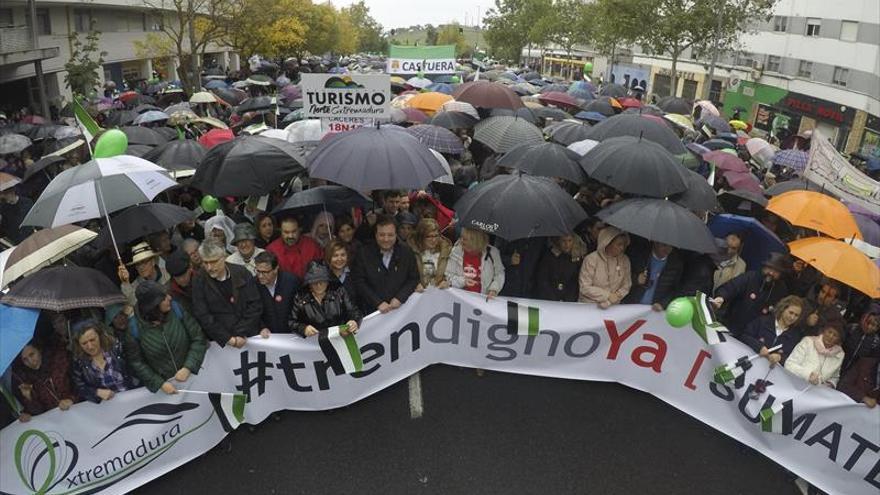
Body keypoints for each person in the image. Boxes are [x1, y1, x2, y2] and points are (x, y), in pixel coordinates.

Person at [125, 281, 208, 394]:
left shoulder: (177, 310)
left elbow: (198, 338)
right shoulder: (134, 328)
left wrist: (188, 367)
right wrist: (160, 383)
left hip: (197, 377)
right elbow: (137, 362)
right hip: (168, 391)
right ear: (153, 306)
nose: (169, 298)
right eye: (163, 298)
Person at [192, 239, 265, 346]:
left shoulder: (242, 273)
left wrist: (240, 332)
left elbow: (255, 305)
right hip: (221, 342)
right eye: (205, 262)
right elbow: (203, 315)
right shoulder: (199, 280)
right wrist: (228, 339)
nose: (209, 267)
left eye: (213, 262)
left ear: (224, 257)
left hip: (248, 336)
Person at [351, 215, 420, 314]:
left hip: (401, 310)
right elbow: (359, 281)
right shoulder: (363, 253)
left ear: (396, 235)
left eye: (390, 235)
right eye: (382, 235)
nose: (386, 239)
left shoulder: (406, 252)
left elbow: (413, 278)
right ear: (375, 235)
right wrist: (377, 302)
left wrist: (400, 298)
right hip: (372, 312)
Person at [711, 252, 791, 335]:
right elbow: (731, 287)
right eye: (769, 268)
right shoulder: (750, 277)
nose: (771, 273)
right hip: (731, 326)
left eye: (776, 271)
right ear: (764, 267)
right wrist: (721, 297)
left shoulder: (781, 290)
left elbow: (778, 311)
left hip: (753, 335)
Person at [71, 320, 138, 403]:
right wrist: (96, 392)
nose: (90, 346)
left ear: (100, 336)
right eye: (84, 343)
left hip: (134, 399)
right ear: (78, 345)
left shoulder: (119, 348)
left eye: (92, 340)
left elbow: (138, 368)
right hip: (107, 409)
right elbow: (79, 387)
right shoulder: (79, 362)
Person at [12, 340, 77, 422]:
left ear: (39, 350)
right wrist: (29, 397)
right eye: (25, 359)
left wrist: (71, 399)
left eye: (32, 355)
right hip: (58, 421)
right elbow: (39, 411)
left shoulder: (60, 361)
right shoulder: (27, 380)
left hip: (78, 409)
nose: (30, 361)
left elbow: (80, 384)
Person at [290, 264, 362, 337]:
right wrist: (303, 329)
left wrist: (354, 321)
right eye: (314, 282)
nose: (318, 285)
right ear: (309, 284)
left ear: (328, 281)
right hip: (314, 342)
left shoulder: (339, 292)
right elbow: (292, 322)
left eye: (322, 281)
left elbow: (354, 312)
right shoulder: (300, 298)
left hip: (341, 337)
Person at [739, 295, 806, 366]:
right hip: (747, 362)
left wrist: (780, 357)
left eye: (796, 315)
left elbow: (791, 357)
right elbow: (744, 336)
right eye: (791, 313)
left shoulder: (794, 336)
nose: (792, 317)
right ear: (783, 309)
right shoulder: (763, 321)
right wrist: (759, 347)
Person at [578, 226, 631, 309]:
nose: (622, 248)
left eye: (624, 244)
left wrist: (613, 298)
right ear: (607, 242)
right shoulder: (591, 259)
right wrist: (607, 295)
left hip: (613, 307)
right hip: (589, 306)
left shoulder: (625, 260)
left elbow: (626, 285)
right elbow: (584, 287)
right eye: (619, 244)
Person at [624, 240, 684, 311]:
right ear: (655, 243)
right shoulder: (638, 255)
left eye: (671, 246)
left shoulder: (676, 264)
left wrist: (663, 304)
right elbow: (621, 277)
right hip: (630, 305)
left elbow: (676, 289)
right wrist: (636, 279)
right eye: (664, 245)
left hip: (654, 311)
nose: (667, 249)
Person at [446, 228, 505, 298]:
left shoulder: (493, 252)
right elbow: (447, 275)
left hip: (483, 299)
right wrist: (463, 281)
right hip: (460, 299)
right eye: (461, 237)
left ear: (475, 240)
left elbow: (499, 273)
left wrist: (494, 289)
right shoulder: (456, 251)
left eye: (465, 239)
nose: (461, 241)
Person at [255, 251, 299, 335]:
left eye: (265, 272)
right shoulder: (253, 284)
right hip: (268, 337)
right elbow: (252, 311)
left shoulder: (291, 282)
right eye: (258, 271)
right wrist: (261, 327)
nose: (260, 276)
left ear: (276, 269)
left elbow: (299, 309)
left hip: (292, 335)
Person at [534, 234, 587, 302]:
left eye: (569, 241)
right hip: (550, 300)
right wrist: (552, 299)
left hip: (569, 301)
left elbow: (576, 282)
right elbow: (543, 280)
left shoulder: (577, 259)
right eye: (563, 241)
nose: (566, 244)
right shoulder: (549, 257)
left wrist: (568, 299)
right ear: (558, 241)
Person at [119, 242, 171, 306]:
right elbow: (134, 304)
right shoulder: (135, 286)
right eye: (137, 264)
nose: (141, 267)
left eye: (144, 262)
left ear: (153, 261)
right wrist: (125, 283)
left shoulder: (168, 273)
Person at [409, 218, 451, 289]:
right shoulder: (410, 251)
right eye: (429, 236)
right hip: (417, 293)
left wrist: (447, 282)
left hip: (439, 292)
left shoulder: (446, 250)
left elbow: (451, 274)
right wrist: (414, 285)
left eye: (436, 236)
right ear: (421, 236)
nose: (433, 240)